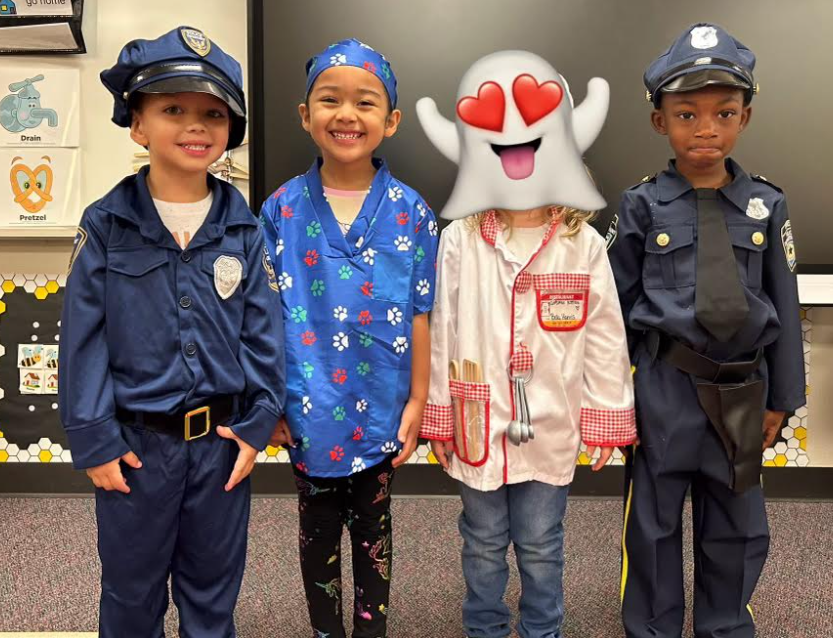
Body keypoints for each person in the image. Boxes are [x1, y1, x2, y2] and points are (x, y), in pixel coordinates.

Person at [58, 26, 285, 638]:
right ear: (138, 124)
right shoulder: (106, 224)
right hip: (135, 450)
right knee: (130, 595)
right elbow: (82, 339)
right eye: (174, 109)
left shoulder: (244, 228)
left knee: (213, 594)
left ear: (231, 129)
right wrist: (94, 439)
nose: (195, 126)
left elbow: (264, 332)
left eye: (213, 113)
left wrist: (258, 423)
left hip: (220, 447)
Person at [418, 51, 636, 638]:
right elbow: (440, 331)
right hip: (477, 420)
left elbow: (605, 337)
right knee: (482, 540)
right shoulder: (460, 240)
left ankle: (543, 629)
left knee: (542, 543)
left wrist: (605, 418)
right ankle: (485, 628)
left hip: (551, 420)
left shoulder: (582, 244)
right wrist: (439, 416)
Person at [607, 23, 805, 638]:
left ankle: (725, 626)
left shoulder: (766, 205)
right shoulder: (640, 205)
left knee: (737, 524)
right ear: (659, 121)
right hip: (663, 385)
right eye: (687, 114)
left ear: (745, 117)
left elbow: (784, 301)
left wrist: (782, 399)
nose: (706, 129)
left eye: (724, 113)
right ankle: (652, 628)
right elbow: (614, 307)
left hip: (743, 389)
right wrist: (611, 400)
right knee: (652, 523)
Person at [259, 38, 438, 638]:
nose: (346, 115)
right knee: (316, 533)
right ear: (304, 114)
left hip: (381, 410)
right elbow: (263, 317)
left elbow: (419, 313)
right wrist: (269, 403)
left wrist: (418, 401)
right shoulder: (279, 211)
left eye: (365, 102)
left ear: (391, 120)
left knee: (374, 531)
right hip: (307, 410)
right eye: (329, 100)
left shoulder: (411, 213)